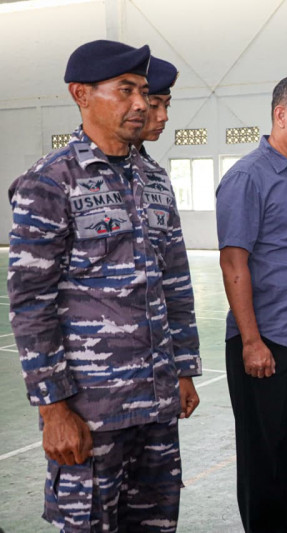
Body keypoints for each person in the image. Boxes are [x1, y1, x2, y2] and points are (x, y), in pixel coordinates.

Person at [8, 40, 201, 532]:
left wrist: (183, 370)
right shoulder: (50, 183)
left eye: (143, 91)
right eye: (125, 91)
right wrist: (53, 409)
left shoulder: (154, 179)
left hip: (156, 409)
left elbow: (175, 282)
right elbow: (31, 304)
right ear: (81, 95)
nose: (140, 103)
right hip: (92, 414)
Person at [216, 75, 287, 533]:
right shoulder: (248, 177)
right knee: (263, 454)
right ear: (280, 115)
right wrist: (251, 341)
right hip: (267, 343)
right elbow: (233, 263)